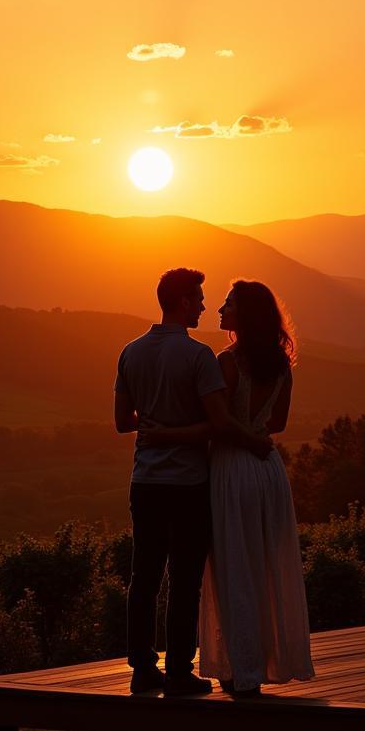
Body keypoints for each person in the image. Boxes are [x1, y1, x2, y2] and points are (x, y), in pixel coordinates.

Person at [143, 280, 315, 697]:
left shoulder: (227, 362)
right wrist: (256, 437)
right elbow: (277, 425)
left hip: (231, 471)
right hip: (268, 471)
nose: (220, 309)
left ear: (246, 315)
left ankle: (241, 666)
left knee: (231, 566)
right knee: (263, 565)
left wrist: (165, 435)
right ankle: (266, 658)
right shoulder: (280, 363)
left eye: (229, 304)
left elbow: (218, 423)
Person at [114, 268, 272, 697]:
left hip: (145, 479)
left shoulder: (131, 352)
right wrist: (181, 430)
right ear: (183, 302)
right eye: (199, 299)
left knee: (143, 575)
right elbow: (215, 425)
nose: (204, 306)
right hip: (188, 482)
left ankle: (143, 668)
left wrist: (153, 426)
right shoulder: (199, 356)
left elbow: (121, 422)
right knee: (184, 579)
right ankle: (180, 672)